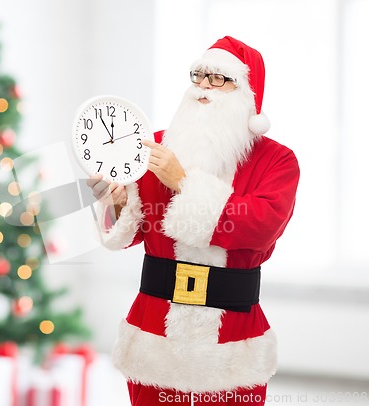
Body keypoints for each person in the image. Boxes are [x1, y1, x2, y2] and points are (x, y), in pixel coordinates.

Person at [87, 36, 300, 406]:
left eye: (219, 78)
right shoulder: (153, 148)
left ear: (247, 93)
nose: (203, 85)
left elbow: (262, 226)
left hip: (232, 343)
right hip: (154, 338)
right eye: (198, 75)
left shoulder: (277, 161)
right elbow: (128, 232)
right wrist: (117, 201)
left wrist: (183, 182)